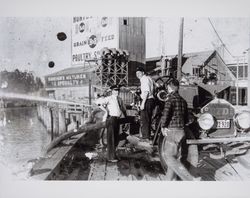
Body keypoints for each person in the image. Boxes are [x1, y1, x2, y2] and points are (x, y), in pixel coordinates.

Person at [160, 78, 195, 180]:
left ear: (169, 87)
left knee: (169, 157)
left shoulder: (169, 100)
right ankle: (169, 181)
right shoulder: (183, 101)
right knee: (175, 157)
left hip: (173, 131)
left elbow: (166, 115)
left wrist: (163, 126)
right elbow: (186, 119)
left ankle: (189, 178)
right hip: (181, 131)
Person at [95, 85, 127, 162]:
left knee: (116, 138)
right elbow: (98, 102)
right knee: (111, 139)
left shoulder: (119, 99)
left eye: (118, 90)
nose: (117, 92)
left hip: (117, 119)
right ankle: (111, 157)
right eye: (115, 90)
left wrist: (125, 118)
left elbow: (123, 109)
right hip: (111, 119)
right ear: (112, 91)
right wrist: (105, 111)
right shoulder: (109, 98)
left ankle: (114, 155)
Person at [136, 66, 155, 142]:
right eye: (136, 73)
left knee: (144, 119)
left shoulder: (144, 79)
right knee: (148, 119)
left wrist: (143, 103)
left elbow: (146, 92)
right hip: (150, 100)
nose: (137, 75)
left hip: (147, 100)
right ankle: (147, 136)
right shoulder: (149, 78)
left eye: (139, 73)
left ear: (143, 73)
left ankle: (145, 138)